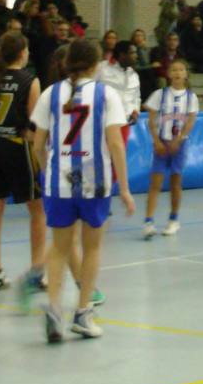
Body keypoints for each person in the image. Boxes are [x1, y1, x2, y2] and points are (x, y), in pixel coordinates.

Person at [31, 39, 136, 342]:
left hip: (59, 180)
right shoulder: (106, 95)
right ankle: (82, 314)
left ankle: (54, 310)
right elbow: (115, 144)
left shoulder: (50, 94)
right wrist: (124, 187)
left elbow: (38, 145)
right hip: (94, 179)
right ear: (95, 65)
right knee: (92, 248)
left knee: (60, 247)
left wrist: (47, 171)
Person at [0, 32, 44, 297]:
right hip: (18, 146)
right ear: (22, 53)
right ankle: (37, 271)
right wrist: (40, 156)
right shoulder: (29, 81)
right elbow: (35, 124)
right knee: (37, 209)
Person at [143, 60, 198, 239]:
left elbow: (190, 122)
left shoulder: (191, 97)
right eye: (174, 69)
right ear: (168, 74)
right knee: (155, 183)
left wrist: (179, 139)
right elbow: (151, 121)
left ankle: (173, 220)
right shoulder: (159, 94)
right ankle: (148, 222)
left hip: (179, 145)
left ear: (186, 74)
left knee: (175, 182)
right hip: (162, 143)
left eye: (181, 69)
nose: (177, 72)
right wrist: (156, 141)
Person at [99, 41, 141, 146]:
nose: (136, 56)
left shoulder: (134, 75)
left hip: (124, 123)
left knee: (119, 154)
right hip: (103, 122)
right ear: (122, 54)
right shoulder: (101, 68)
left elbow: (136, 97)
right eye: (133, 53)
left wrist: (136, 111)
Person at [130, 28, 158, 97]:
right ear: (133, 38)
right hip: (137, 72)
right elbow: (136, 66)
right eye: (136, 36)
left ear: (144, 38)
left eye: (141, 35)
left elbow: (148, 62)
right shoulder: (132, 50)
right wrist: (139, 49)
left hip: (147, 73)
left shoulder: (147, 50)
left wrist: (144, 49)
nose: (139, 38)